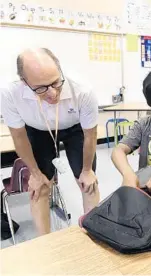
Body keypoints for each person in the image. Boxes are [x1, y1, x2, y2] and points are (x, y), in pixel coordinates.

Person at [1, 48, 99, 236]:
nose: (53, 93)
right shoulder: (9, 93)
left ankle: (95, 235)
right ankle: (44, 244)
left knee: (88, 183)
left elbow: (90, 135)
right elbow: (19, 137)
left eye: (56, 83)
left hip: (75, 128)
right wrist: (35, 173)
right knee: (40, 186)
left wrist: (87, 171)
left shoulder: (82, 90)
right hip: (37, 130)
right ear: (24, 82)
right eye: (41, 88)